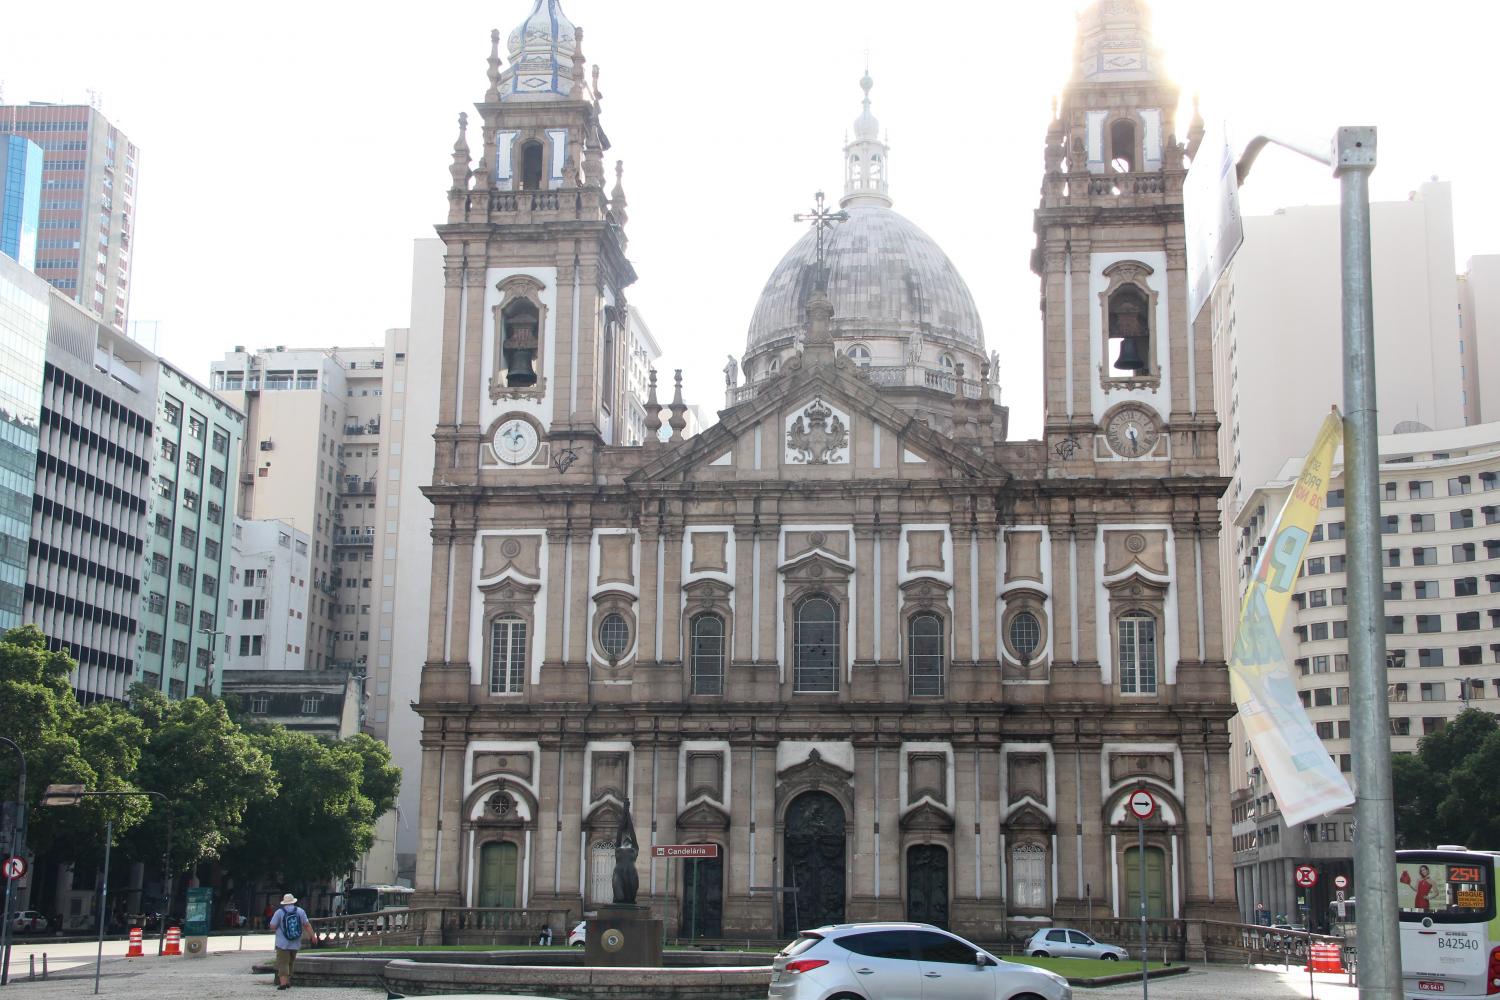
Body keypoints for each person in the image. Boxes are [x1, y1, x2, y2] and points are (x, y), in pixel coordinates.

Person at [267, 892, 318, 990]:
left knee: (283, 963)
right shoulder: (300, 911)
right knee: (291, 962)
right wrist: (313, 936)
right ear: (293, 901)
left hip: (282, 943)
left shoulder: (279, 912)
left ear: (284, 902)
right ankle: (288, 981)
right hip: (295, 942)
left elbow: (272, 926)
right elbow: (307, 925)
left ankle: (283, 984)